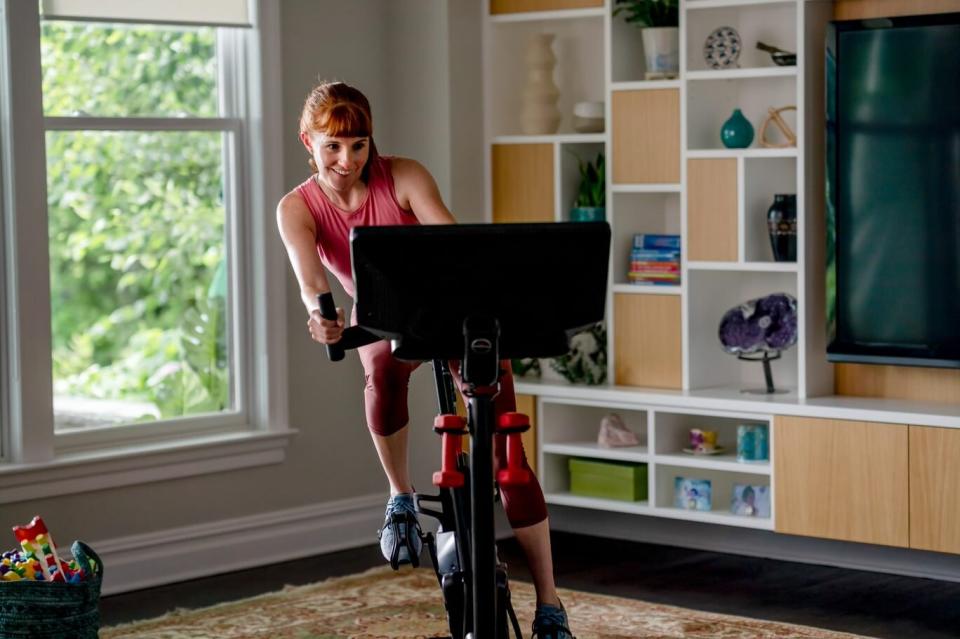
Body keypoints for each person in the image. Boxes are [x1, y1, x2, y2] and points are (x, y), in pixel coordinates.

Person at [276, 81, 573, 638]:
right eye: (333, 147)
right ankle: (401, 497)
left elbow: (457, 249)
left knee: (511, 466)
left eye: (359, 145)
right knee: (383, 374)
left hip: (459, 315)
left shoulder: (404, 175)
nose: (348, 160)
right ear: (308, 142)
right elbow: (311, 278)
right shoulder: (297, 207)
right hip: (383, 322)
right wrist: (324, 317)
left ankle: (551, 606)